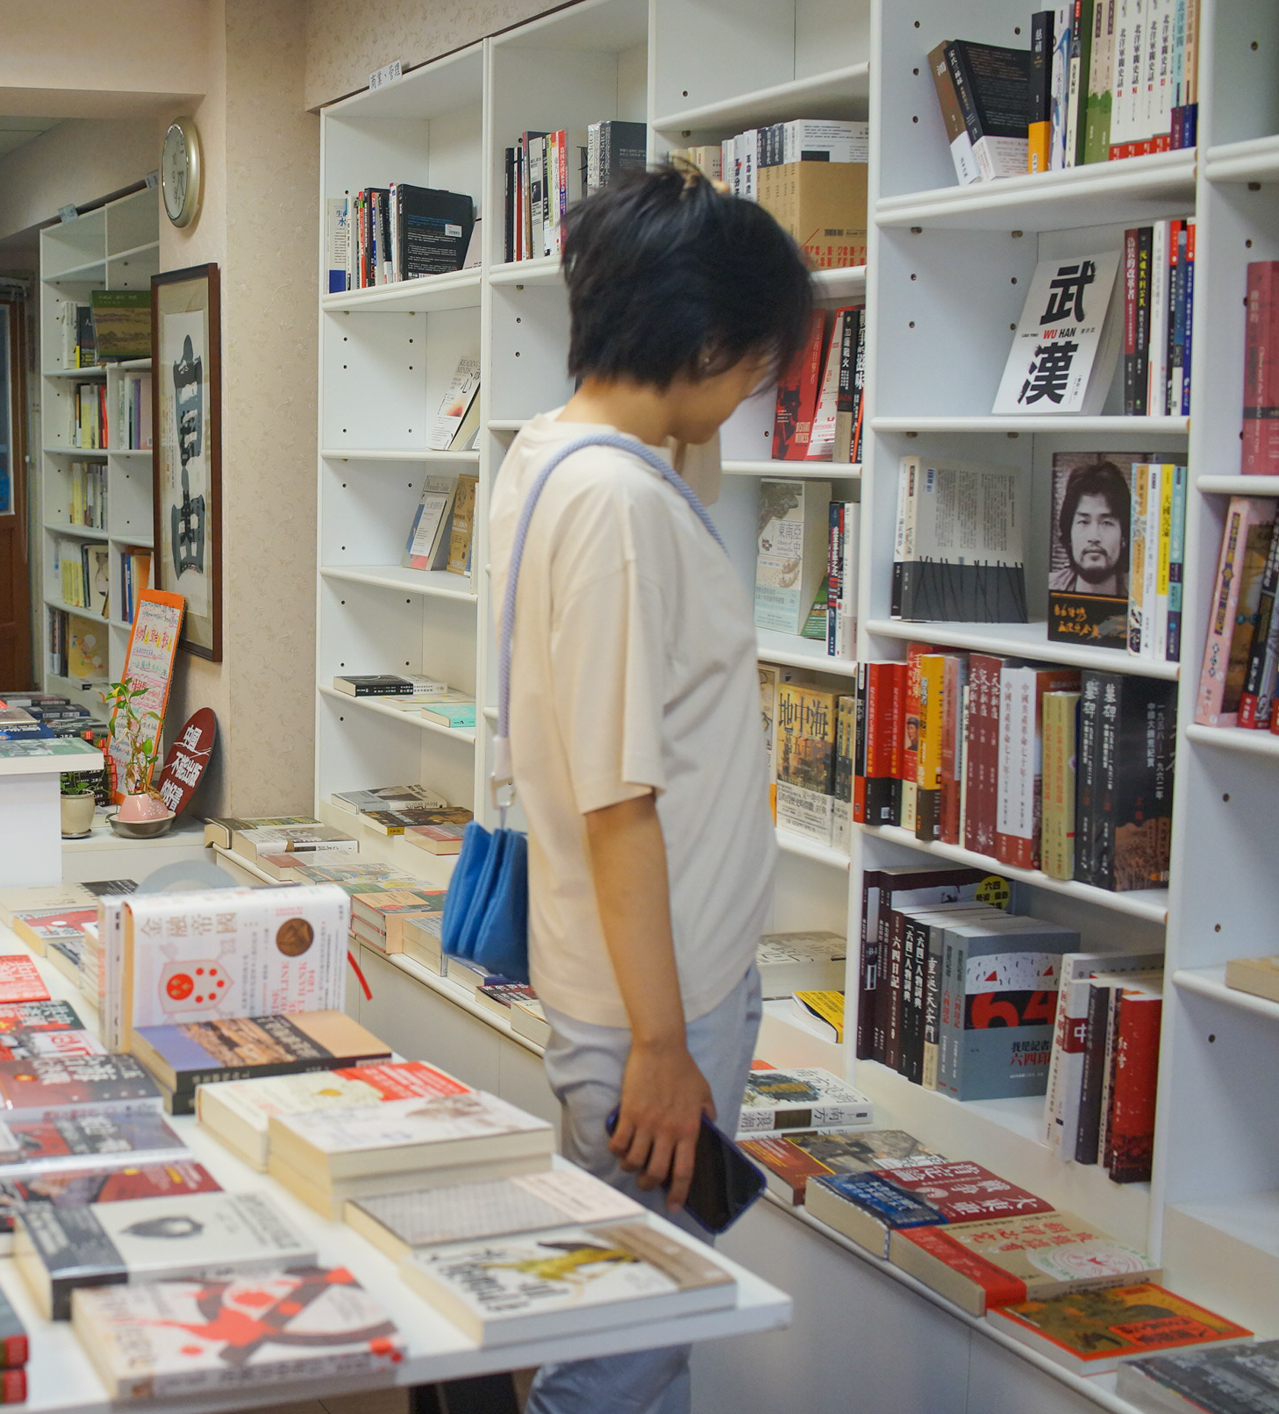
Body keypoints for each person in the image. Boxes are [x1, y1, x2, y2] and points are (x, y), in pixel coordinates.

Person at [490, 167, 813, 1414]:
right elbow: (622, 799)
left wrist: (694, 383)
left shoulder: (559, 451)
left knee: (630, 1322)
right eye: (756, 367)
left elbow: (699, 470)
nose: (757, 396)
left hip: (625, 983)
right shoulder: (622, 505)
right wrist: (669, 1048)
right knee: (622, 1351)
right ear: (706, 341)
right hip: (649, 1011)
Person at [1049, 458, 1131, 596]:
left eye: (1107, 523)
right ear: (1069, 535)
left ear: (1124, 538)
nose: (1094, 537)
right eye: (1084, 522)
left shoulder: (1143, 598)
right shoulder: (1045, 590)